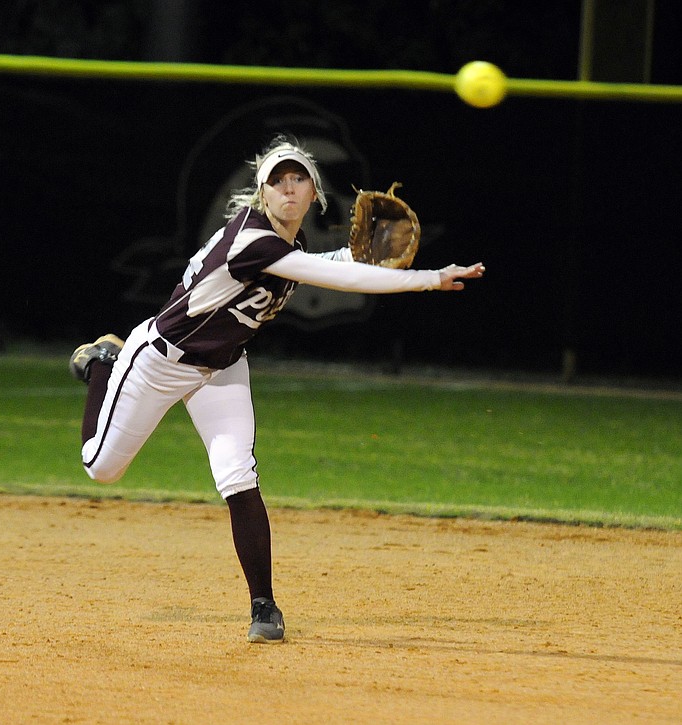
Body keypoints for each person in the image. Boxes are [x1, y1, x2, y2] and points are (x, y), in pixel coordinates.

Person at [69, 134, 484, 644]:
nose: (288, 189)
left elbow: (319, 267)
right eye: (277, 181)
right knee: (101, 468)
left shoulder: (291, 245)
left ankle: (264, 607)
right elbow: (342, 281)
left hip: (221, 368)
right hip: (159, 361)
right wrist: (430, 278)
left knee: (238, 476)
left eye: (298, 180)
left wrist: (353, 255)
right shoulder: (252, 240)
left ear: (314, 194)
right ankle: (101, 364)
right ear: (261, 194)